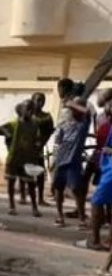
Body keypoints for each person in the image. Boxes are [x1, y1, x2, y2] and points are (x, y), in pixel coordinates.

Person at [76, 89, 112, 251]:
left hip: (110, 169)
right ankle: (109, 240)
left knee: (97, 201)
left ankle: (95, 240)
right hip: (105, 165)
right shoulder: (105, 120)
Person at [0, 100, 42, 217]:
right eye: (27, 109)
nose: (29, 111)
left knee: (31, 184)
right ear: (21, 110)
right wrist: (8, 135)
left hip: (29, 159)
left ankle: (34, 207)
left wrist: (37, 151)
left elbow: (38, 140)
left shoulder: (35, 125)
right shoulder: (14, 124)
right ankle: (11, 205)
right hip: (14, 157)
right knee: (11, 182)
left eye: (31, 109)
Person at [52, 95, 91, 228]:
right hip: (60, 161)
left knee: (76, 190)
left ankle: (81, 218)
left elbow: (87, 112)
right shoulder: (64, 124)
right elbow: (57, 142)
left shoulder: (83, 124)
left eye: (77, 107)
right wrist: (54, 160)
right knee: (58, 188)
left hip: (73, 163)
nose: (74, 110)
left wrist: (72, 103)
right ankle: (59, 215)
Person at [19, 92, 55, 206]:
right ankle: (23, 196)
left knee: (40, 173)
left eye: (42, 100)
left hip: (39, 149)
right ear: (32, 100)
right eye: (38, 100)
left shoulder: (47, 116)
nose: (40, 103)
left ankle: (40, 198)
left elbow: (50, 132)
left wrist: (42, 143)